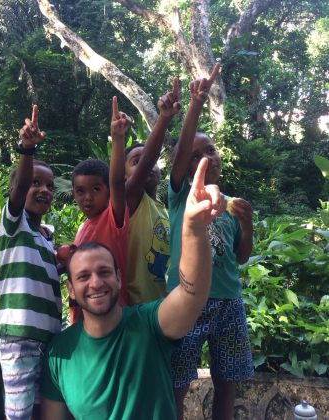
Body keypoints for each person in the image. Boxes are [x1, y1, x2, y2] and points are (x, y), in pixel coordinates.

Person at [40, 157, 225, 420]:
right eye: (83, 276)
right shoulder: (59, 353)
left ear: (118, 278)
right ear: (70, 289)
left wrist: (194, 229)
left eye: (104, 272)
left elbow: (191, 295)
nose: (95, 282)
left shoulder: (149, 324)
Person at [166, 64, 254, 420]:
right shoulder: (179, 196)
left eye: (212, 150)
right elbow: (179, 152)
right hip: (186, 301)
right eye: (197, 154)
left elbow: (241, 258)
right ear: (186, 165)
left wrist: (247, 226)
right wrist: (196, 104)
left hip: (228, 302)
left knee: (227, 379)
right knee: (178, 380)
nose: (208, 158)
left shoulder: (234, 205)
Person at [0, 105, 61, 420]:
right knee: (19, 411)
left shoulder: (46, 239)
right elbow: (21, 185)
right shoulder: (13, 225)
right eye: (36, 183)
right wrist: (27, 149)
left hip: (48, 335)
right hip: (20, 334)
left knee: (40, 408)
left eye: (49, 186)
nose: (44, 190)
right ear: (17, 189)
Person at [69, 97, 131, 323]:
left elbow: (116, 182)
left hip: (112, 317)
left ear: (107, 191)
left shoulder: (113, 218)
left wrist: (117, 137)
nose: (87, 197)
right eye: (80, 191)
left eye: (96, 189)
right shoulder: (83, 228)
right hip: (83, 320)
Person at [125, 78, 181, 304]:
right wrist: (164, 118)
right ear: (123, 176)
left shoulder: (162, 209)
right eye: (135, 161)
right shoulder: (130, 202)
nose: (146, 165)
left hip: (161, 308)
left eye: (148, 161)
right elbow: (149, 159)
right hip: (135, 310)